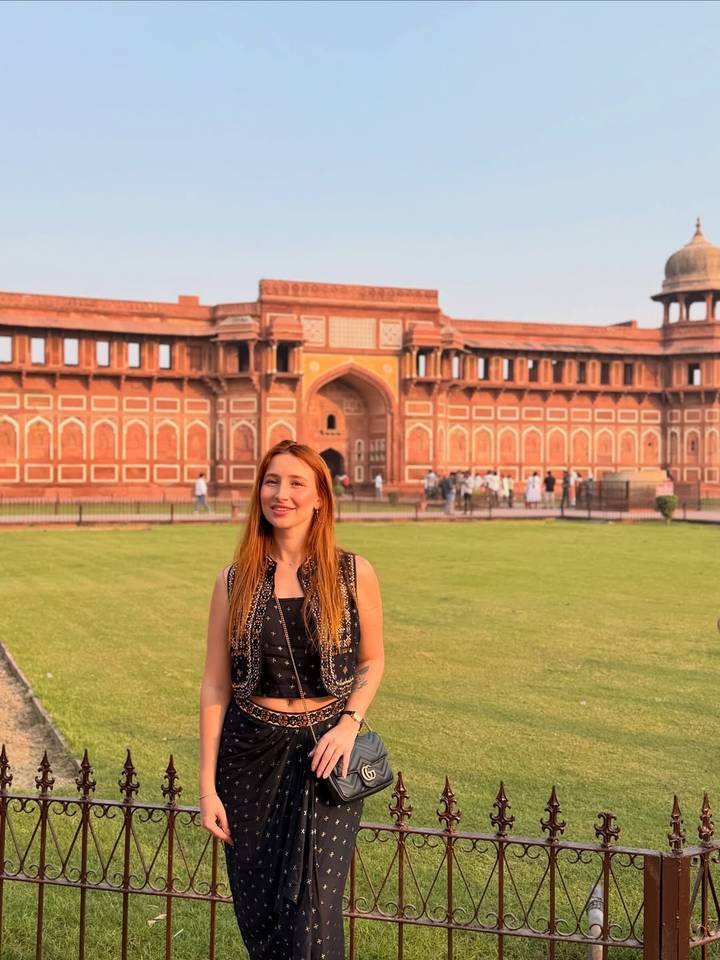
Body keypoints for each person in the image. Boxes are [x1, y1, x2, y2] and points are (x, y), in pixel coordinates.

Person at [198, 440, 384, 960]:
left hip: (325, 755)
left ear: (320, 497)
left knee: (313, 918)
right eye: (271, 481)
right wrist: (207, 788)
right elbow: (215, 685)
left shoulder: (351, 573)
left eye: (297, 483)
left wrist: (349, 723)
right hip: (249, 757)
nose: (281, 494)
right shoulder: (234, 581)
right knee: (261, 916)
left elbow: (372, 661)